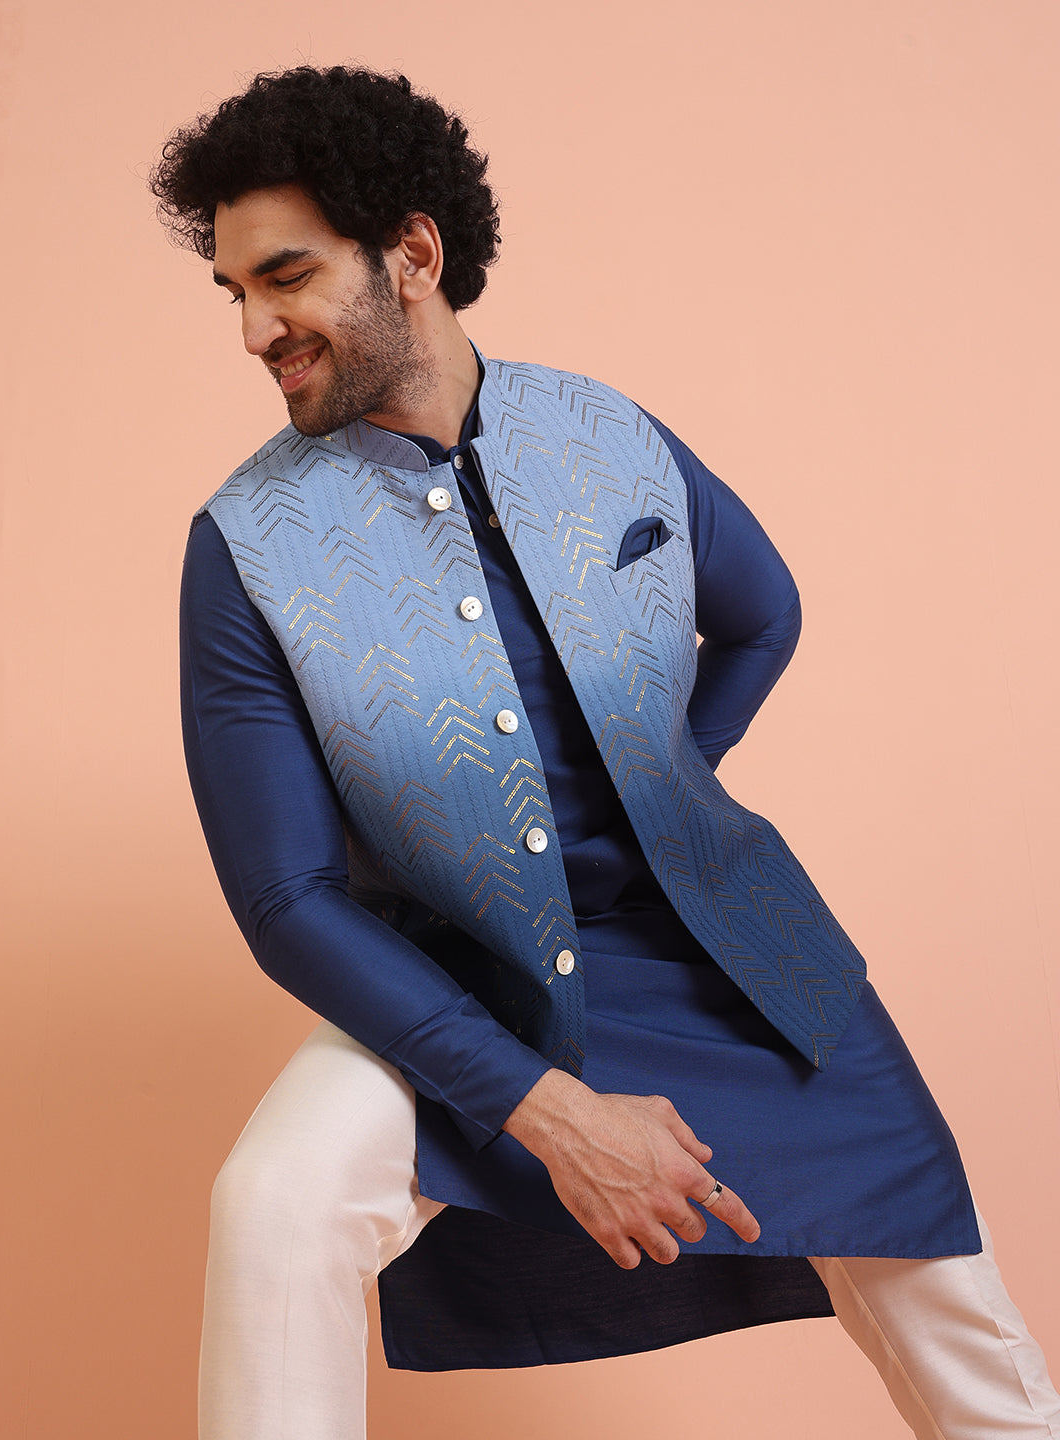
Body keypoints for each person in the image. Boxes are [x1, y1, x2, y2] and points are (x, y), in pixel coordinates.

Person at [151, 64, 1059, 1440]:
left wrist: (668, 794)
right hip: (459, 975)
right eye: (233, 292)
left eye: (287, 277)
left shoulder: (608, 433)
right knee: (276, 1201)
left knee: (950, 1300)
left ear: (413, 255)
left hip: (733, 950)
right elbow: (286, 901)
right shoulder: (245, 550)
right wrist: (546, 1110)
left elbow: (762, 613)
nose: (253, 330)